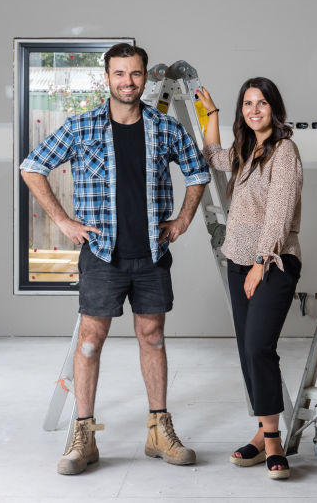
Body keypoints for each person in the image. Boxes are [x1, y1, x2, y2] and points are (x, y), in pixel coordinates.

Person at [20, 43, 210, 475]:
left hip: (151, 254)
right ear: (106, 78)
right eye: (120, 74)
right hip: (102, 256)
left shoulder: (163, 127)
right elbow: (33, 167)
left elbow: (197, 173)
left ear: (145, 78)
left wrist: (182, 220)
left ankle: (159, 430)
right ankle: (83, 436)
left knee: (154, 338)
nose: (128, 81)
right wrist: (65, 222)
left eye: (136, 74)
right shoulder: (81, 126)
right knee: (89, 341)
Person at [196, 77, 303, 481]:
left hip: (273, 263)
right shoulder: (245, 150)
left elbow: (279, 212)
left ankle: (273, 440)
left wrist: (261, 263)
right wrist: (213, 114)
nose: (254, 110)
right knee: (246, 349)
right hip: (238, 263)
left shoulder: (284, 151)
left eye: (261, 103)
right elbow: (211, 155)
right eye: (247, 104)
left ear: (275, 109)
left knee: (260, 346)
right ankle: (262, 433)